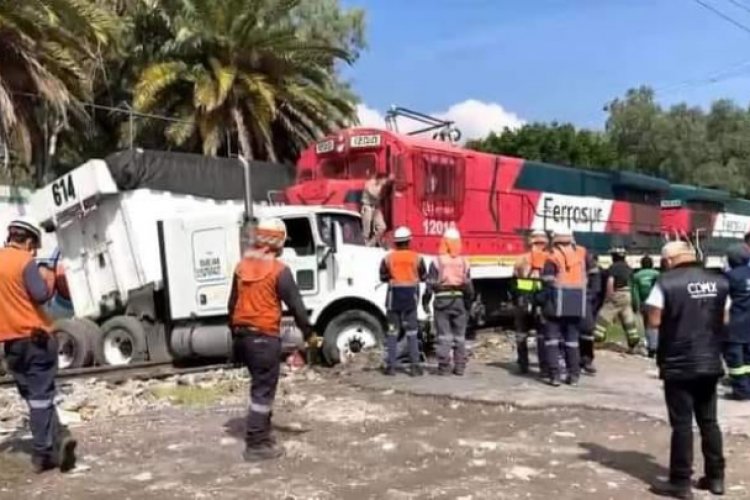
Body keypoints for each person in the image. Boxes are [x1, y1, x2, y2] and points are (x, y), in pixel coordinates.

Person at [228, 217, 315, 462]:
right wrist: (309, 334)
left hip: (243, 336)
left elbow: (231, 305)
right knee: (263, 392)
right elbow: (296, 307)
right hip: (264, 338)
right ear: (277, 243)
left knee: (260, 387)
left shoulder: (241, 267)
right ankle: (256, 444)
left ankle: (263, 436)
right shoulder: (279, 270)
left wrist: (235, 339)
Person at [646, 241, 728, 499]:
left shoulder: (665, 282)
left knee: (682, 424)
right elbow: (723, 319)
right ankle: (716, 479)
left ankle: (680, 482)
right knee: (709, 421)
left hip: (678, 362)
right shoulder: (719, 281)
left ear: (669, 260)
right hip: (710, 360)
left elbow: (654, 320)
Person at [0, 217, 77, 473]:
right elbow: (41, 295)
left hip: (11, 344)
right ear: (29, 242)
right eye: (35, 247)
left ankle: (58, 439)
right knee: (42, 398)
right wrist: (47, 279)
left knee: (35, 398)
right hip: (36, 339)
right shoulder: (24, 262)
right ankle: (44, 453)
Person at [540, 228, 589, 387]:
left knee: (552, 341)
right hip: (576, 305)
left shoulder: (553, 258)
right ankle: (573, 375)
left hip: (555, 306)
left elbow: (547, 283)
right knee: (572, 342)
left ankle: (555, 376)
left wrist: (540, 301)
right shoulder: (580, 257)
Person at [422, 227, 474, 376]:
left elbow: (430, 284)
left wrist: (425, 301)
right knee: (459, 336)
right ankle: (460, 367)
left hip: (441, 300)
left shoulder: (437, 261)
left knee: (444, 335)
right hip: (459, 300)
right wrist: (468, 304)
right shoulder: (464, 262)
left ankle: (444, 368)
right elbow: (469, 286)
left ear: (444, 242)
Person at [380, 226, 427, 376]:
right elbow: (424, 276)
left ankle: (391, 367)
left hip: (393, 300)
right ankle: (414, 367)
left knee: (392, 333)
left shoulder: (388, 258)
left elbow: (382, 276)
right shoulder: (417, 258)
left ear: (395, 243)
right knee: (412, 333)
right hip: (410, 300)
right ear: (409, 241)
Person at [512, 230, 549, 375]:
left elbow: (514, 280)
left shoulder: (521, 259)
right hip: (542, 302)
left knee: (521, 334)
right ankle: (544, 366)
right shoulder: (549, 258)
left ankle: (523, 364)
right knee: (543, 335)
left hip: (523, 301)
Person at [593, 247, 641, 354]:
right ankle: (633, 342)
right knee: (628, 319)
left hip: (617, 293)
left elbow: (611, 281)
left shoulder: (614, 267)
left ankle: (597, 339)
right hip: (627, 294)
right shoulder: (628, 267)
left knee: (603, 316)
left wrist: (609, 295)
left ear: (614, 256)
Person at [723, 243, 750, 401]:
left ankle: (741, 391)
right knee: (748, 359)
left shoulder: (729, 277)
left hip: (735, 324)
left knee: (735, 360)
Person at [632, 255, 661, 358]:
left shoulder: (637, 276)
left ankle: (651, 346)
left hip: (644, 302)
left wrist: (636, 304)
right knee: (657, 325)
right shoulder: (658, 274)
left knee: (647, 325)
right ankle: (657, 346)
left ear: (641, 264)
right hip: (657, 302)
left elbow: (635, 292)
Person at [580, 252, 602, 375]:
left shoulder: (583, 255)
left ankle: (587, 360)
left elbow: (595, 280)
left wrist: (591, 296)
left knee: (587, 330)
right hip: (567, 298)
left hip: (584, 298)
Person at [361, 172, 393, 246]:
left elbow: (384, 196)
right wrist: (383, 184)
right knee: (366, 231)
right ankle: (364, 245)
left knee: (382, 227)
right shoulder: (370, 183)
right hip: (367, 207)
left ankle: (370, 244)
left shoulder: (382, 186)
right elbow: (374, 194)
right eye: (383, 180)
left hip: (376, 208)